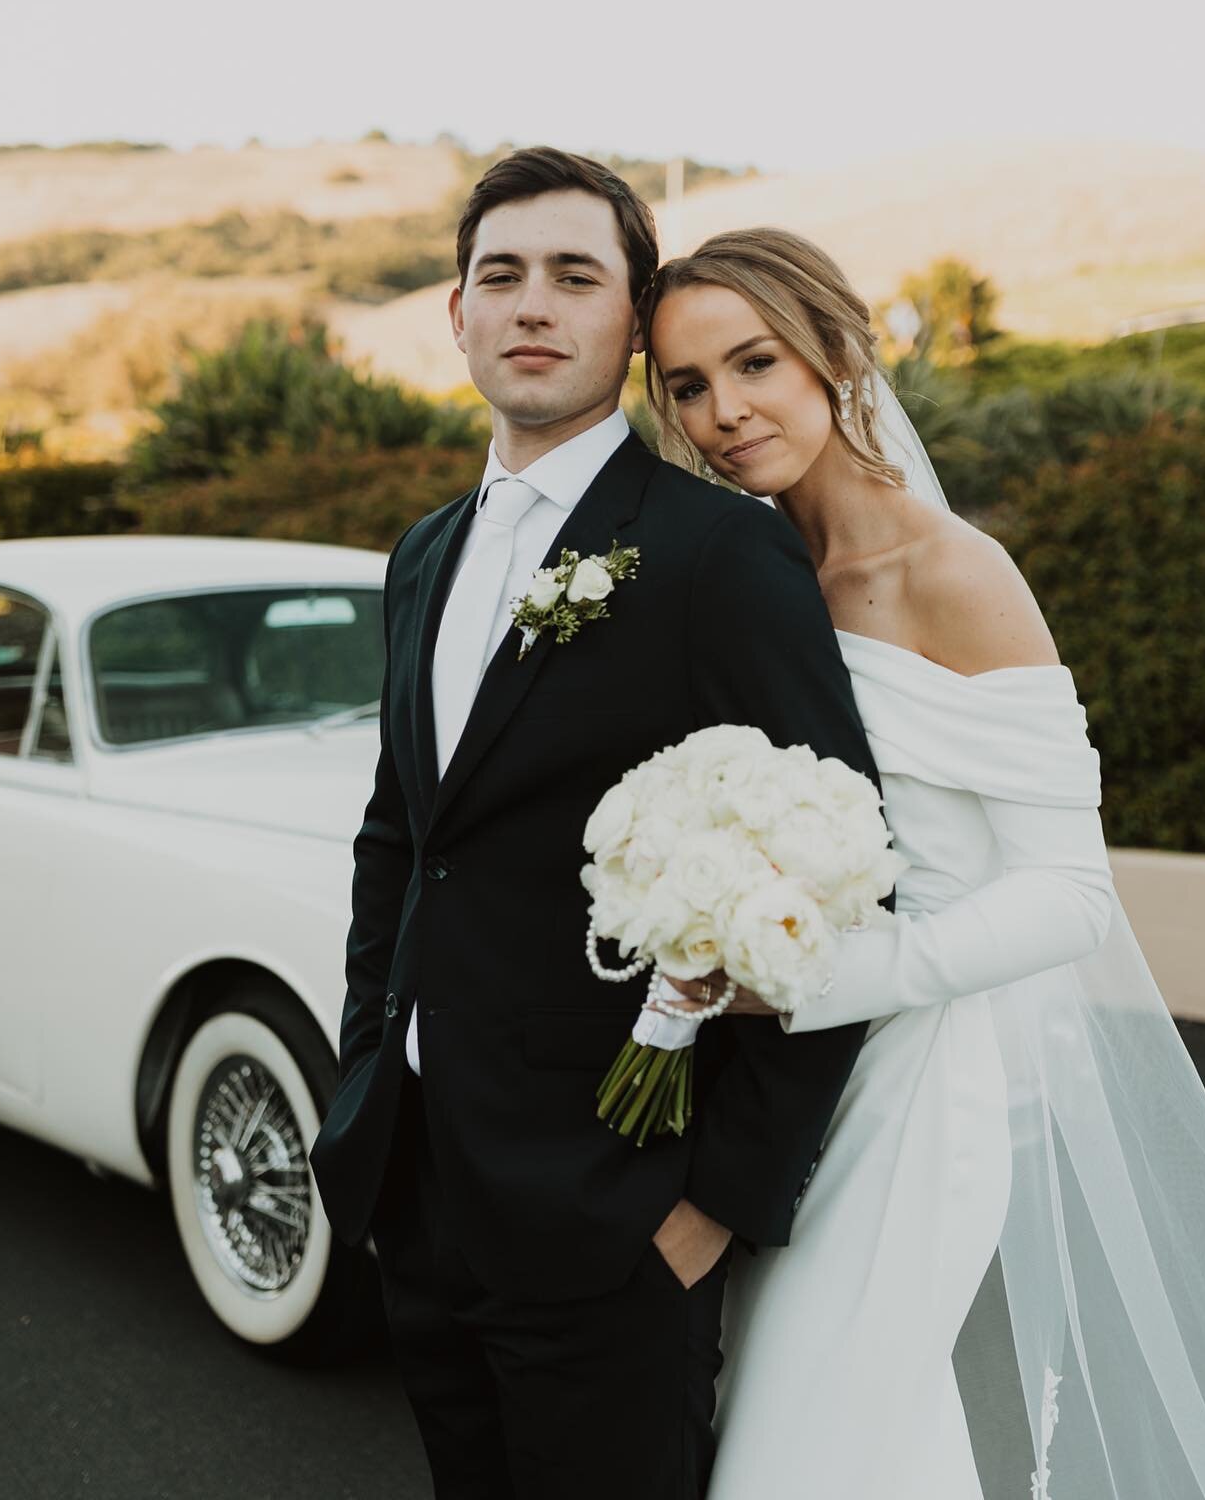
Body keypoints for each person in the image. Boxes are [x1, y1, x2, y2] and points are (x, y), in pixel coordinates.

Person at [641, 226, 1205, 1500]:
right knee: (856, 1436)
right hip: (775, 1085)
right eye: (687, 388)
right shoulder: (760, 578)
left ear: (833, 351)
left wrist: (829, 975)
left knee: (801, 1448)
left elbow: (1070, 891)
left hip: (925, 1081)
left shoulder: (953, 571)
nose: (724, 412)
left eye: (753, 363)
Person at [308, 152, 886, 1500]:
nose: (531, 305)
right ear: (454, 312)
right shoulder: (424, 552)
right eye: (499, 275)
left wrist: (715, 1210)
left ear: (633, 322)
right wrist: (364, 1085)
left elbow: (837, 881)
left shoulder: (715, 551)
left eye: (577, 277)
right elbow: (402, 840)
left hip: (615, 1221)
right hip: (421, 1188)